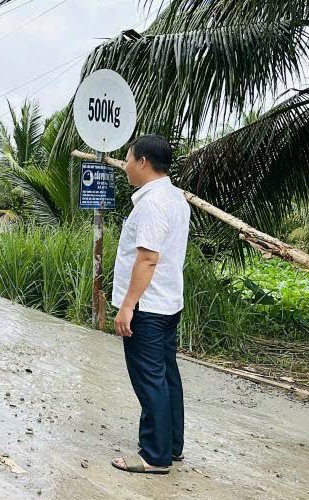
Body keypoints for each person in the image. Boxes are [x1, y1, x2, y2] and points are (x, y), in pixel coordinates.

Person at [110, 135, 190, 475]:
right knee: (166, 375)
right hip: (168, 302)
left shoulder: (152, 203)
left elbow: (147, 258)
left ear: (142, 161)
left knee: (150, 379)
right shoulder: (175, 198)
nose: (125, 165)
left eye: (127, 158)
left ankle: (154, 456)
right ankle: (171, 446)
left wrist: (128, 306)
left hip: (148, 306)